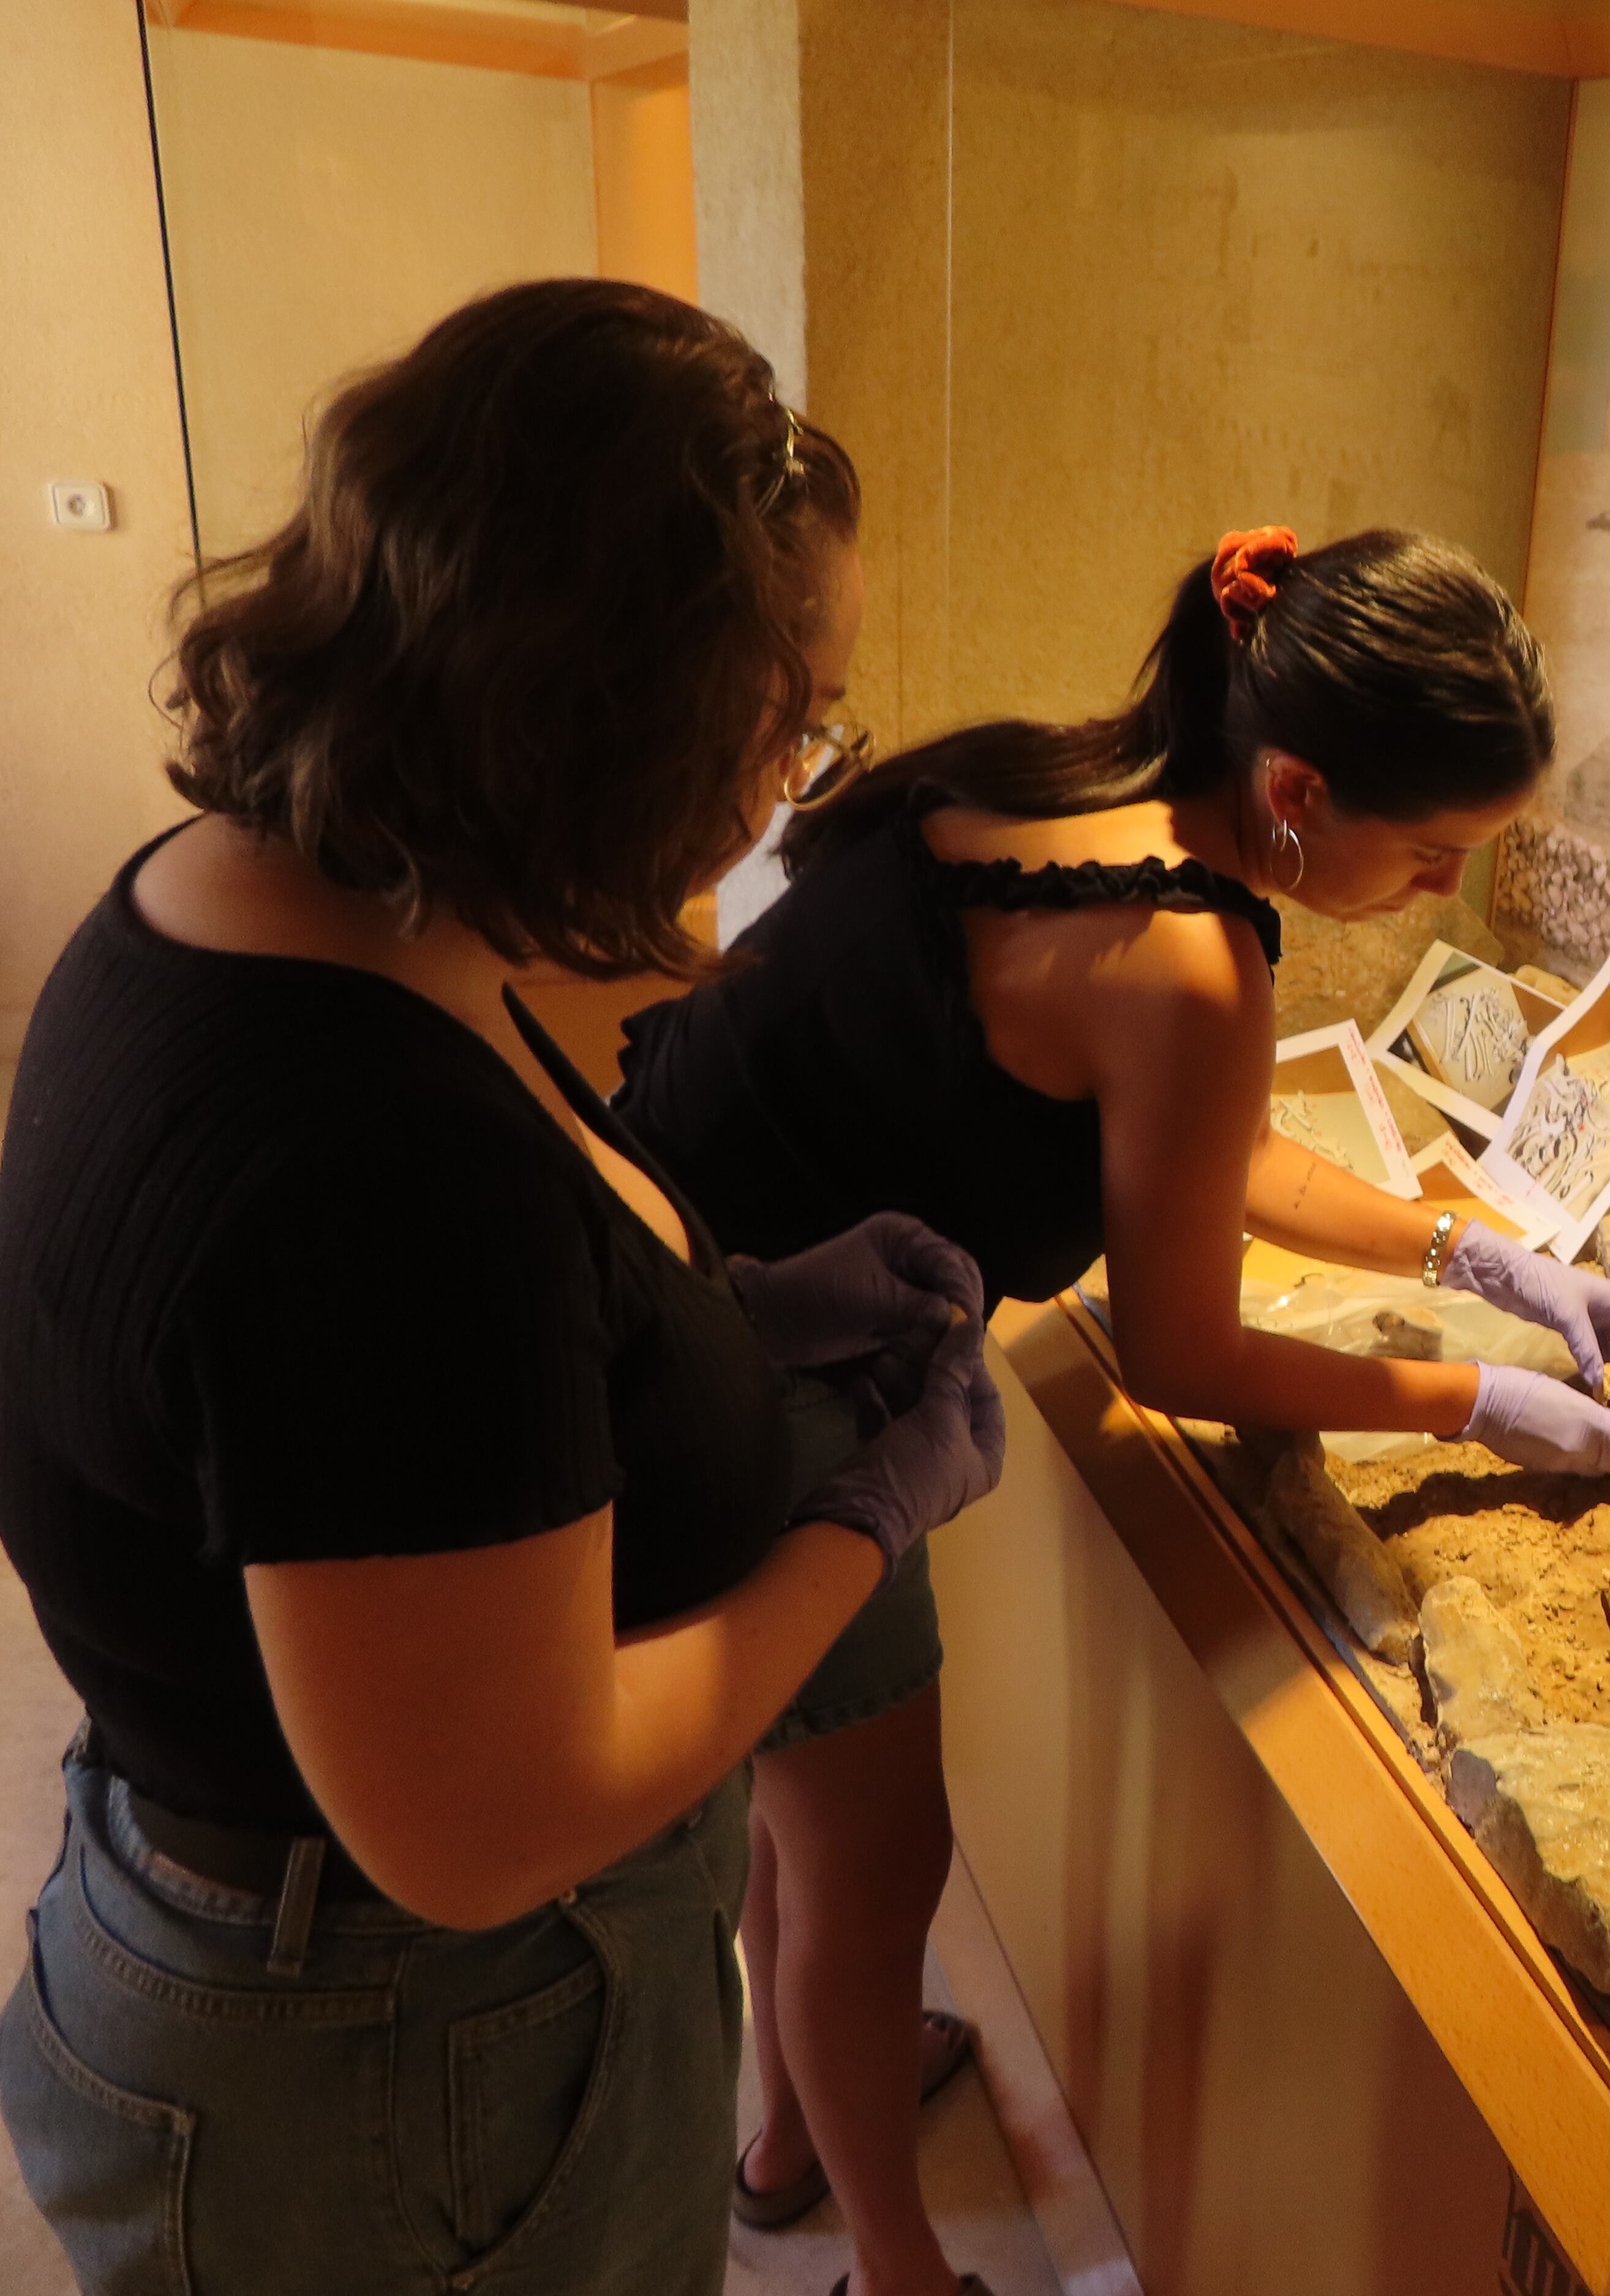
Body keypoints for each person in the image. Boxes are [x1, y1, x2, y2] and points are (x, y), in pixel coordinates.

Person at [0, 280, 1010, 2296]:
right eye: (796, 719)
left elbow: (422, 1404)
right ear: (607, 711)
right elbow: (485, 1824)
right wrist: (860, 1519)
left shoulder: (253, 896)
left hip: (258, 1942)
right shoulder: (367, 1169)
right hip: (394, 2053)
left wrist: (732, 1312)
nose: (795, 778)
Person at [611, 523, 1610, 2296]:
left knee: (806, 1823)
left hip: (690, 1281)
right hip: (764, 1394)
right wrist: (1473, 1401)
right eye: (1428, 850)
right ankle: (896, 2260)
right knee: (879, 1870)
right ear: (1296, 788)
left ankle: (796, 2130)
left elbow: (1213, 1147)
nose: (1430, 891)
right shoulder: (1188, 959)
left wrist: (1471, 1244)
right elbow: (1184, 1352)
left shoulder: (1053, 788)